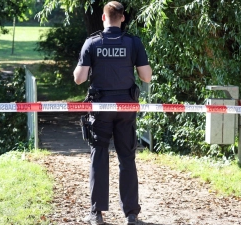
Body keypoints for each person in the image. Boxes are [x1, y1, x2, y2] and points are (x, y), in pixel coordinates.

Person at [73, 1, 152, 225]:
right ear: (123, 18)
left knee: (99, 155)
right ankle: (131, 215)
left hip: (100, 109)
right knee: (127, 157)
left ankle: (96, 214)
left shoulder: (92, 42)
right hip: (126, 107)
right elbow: (146, 77)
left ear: (103, 18)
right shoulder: (133, 43)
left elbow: (79, 79)